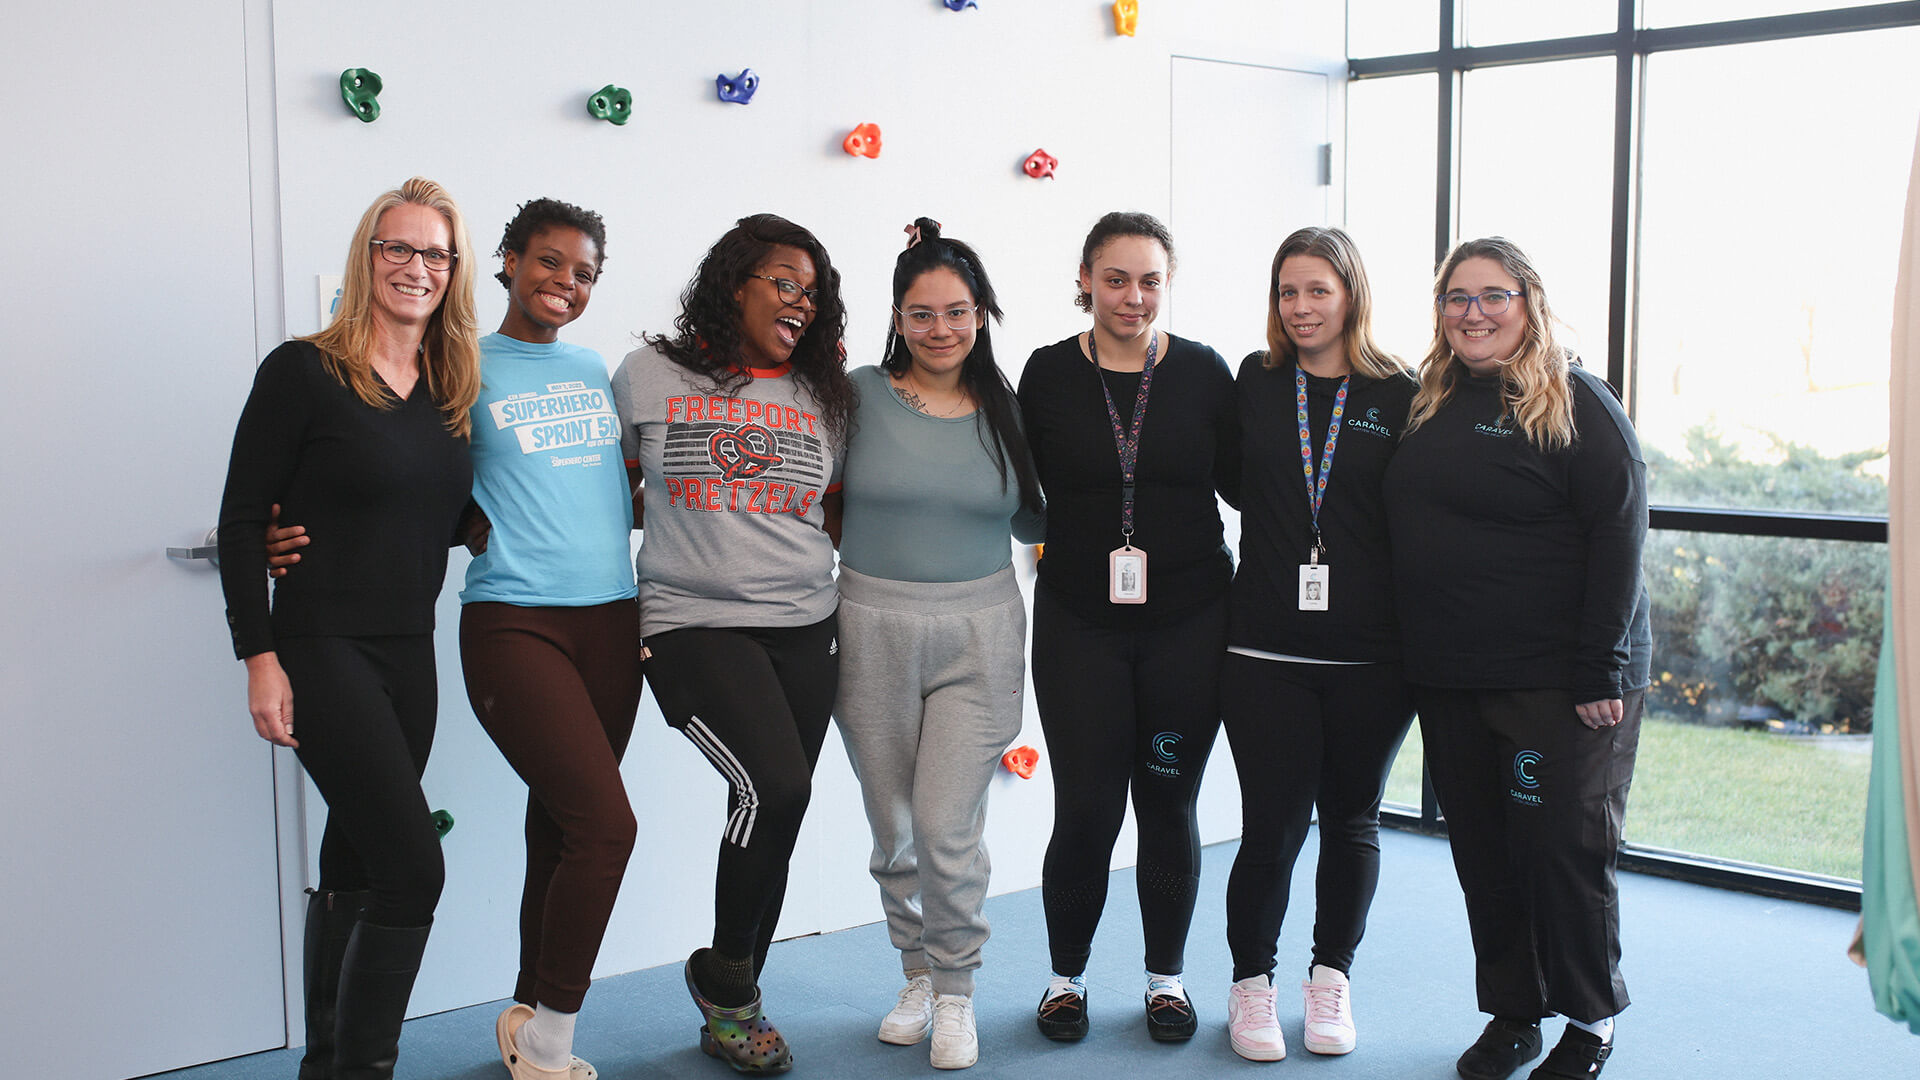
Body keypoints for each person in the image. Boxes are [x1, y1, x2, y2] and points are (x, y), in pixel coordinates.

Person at [216, 176, 480, 1080]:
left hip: (411, 653)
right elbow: (245, 518)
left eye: (434, 253)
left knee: (361, 859)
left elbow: (432, 513)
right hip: (322, 650)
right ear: (367, 257)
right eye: (398, 248)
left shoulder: (449, 387)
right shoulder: (304, 370)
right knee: (415, 871)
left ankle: (325, 1064)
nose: (416, 267)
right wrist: (259, 654)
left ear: (454, 271)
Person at [1383, 237, 1650, 1080]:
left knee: (1561, 855)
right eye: (1457, 298)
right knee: (1486, 857)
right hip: (1452, 674)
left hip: (1559, 681)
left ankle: (1591, 1020)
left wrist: (1602, 668)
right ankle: (1512, 1013)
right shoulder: (1429, 398)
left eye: (1492, 296)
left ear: (1528, 303)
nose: (1473, 313)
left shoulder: (1576, 401)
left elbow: (1620, 532)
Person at [611, 213, 853, 1075]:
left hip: (806, 624)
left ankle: (733, 989)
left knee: (775, 815)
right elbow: (596, 495)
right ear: (734, 281)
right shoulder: (646, 375)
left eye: (811, 294)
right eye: (782, 284)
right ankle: (729, 988)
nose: (798, 304)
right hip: (691, 620)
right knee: (775, 785)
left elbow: (836, 510)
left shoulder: (827, 392)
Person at [1016, 211, 1240, 1043]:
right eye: (1115, 278)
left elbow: (1255, 485)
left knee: (1168, 802)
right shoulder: (1044, 374)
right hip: (1080, 624)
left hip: (1189, 623)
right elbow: (1009, 484)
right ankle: (1064, 979)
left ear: (1167, 283)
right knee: (1086, 808)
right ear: (1085, 279)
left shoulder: (1207, 373)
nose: (1133, 297)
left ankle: (1166, 981)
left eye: (1150, 280)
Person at [834, 218, 1046, 1071]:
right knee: (894, 827)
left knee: (946, 824)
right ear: (896, 318)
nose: (941, 330)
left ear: (983, 313)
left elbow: (1039, 518)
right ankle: (915, 973)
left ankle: (957, 993)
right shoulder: (853, 394)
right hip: (869, 624)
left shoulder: (1010, 411)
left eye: (958, 312)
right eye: (921, 314)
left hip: (981, 630)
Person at [1219, 227, 1418, 1062]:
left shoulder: (1403, 391)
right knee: (1270, 826)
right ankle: (1252, 986)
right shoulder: (1257, 381)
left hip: (1374, 656)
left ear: (1351, 295)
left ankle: (1330, 976)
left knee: (1351, 821)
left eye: (1317, 291)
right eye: (1287, 292)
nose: (1300, 308)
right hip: (1264, 648)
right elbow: (1231, 480)